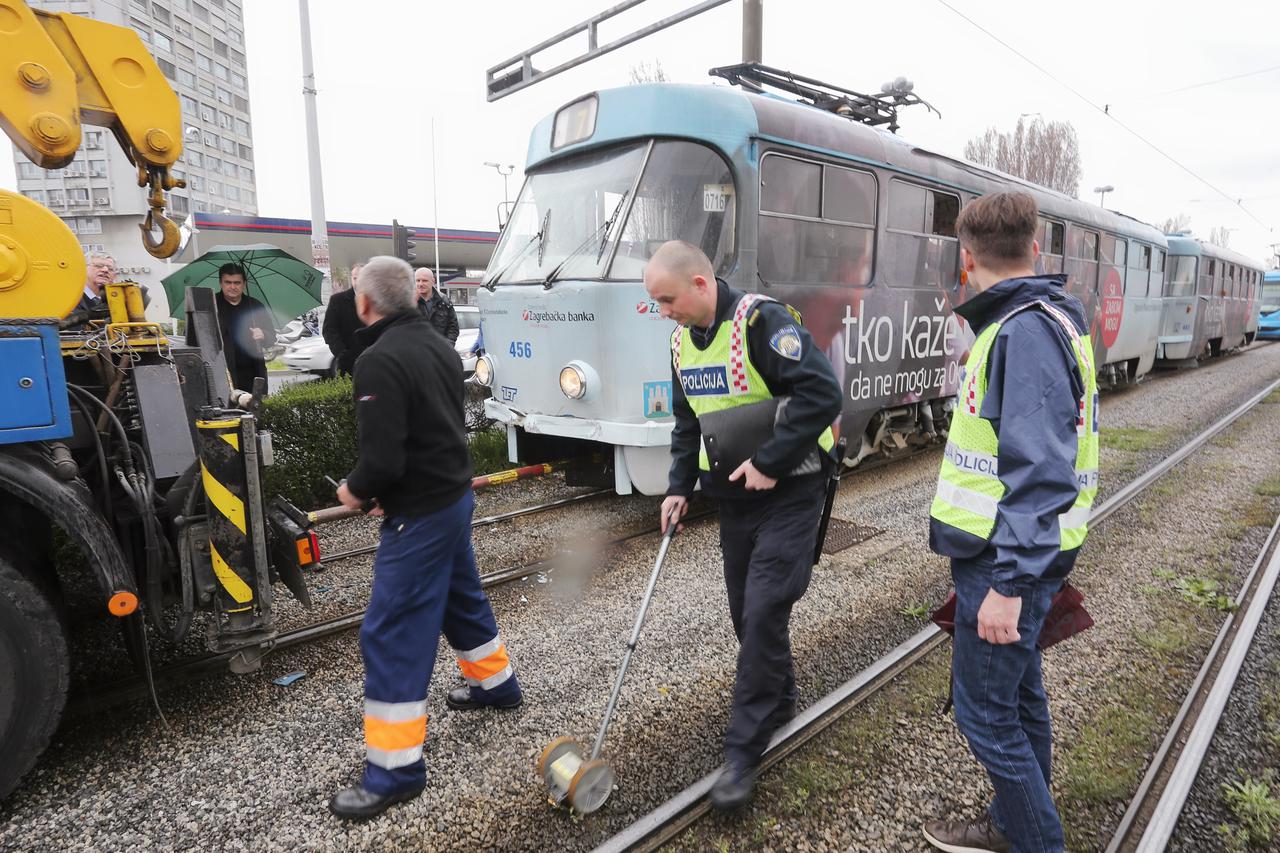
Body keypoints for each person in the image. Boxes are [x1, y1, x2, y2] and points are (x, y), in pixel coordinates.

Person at [922, 192, 1098, 853]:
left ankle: (1034, 839)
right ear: (1034, 248)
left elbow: (1041, 470)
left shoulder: (1022, 329)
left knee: (986, 714)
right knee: (1021, 700)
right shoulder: (1049, 318)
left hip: (1007, 559)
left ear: (966, 259)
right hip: (1017, 551)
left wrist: (1010, 584)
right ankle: (1011, 821)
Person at [646, 240, 843, 812]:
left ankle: (742, 750)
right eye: (657, 303)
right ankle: (778, 695)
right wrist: (678, 487)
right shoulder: (683, 343)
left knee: (763, 608)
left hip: (793, 490)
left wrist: (769, 461)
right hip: (735, 498)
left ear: (701, 284)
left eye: (667, 300)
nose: (664, 312)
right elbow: (688, 421)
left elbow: (821, 393)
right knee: (745, 613)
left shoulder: (762, 321)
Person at [330, 256, 523, 821]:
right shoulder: (440, 347)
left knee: (390, 632)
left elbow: (384, 459)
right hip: (452, 496)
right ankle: (498, 686)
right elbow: (436, 430)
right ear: (410, 298)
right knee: (461, 600)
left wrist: (357, 490)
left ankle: (395, 770)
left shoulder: (377, 360)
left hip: (419, 513)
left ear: (365, 304)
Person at [214, 262, 275, 394]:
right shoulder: (210, 306)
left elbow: (272, 337)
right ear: (220, 283)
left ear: (244, 284)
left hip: (254, 373)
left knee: (256, 411)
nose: (232, 287)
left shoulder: (255, 306)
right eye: (228, 282)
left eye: (237, 283)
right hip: (224, 373)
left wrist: (263, 334)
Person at [323, 261, 365, 376]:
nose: (357, 281)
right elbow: (329, 330)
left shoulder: (376, 300)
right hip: (348, 364)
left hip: (372, 362)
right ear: (351, 278)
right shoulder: (338, 300)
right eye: (355, 278)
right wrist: (342, 353)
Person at [415, 267, 459, 343]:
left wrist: (447, 347)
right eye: (418, 280)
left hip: (439, 351)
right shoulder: (408, 302)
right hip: (415, 352)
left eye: (424, 280)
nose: (420, 284)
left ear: (433, 281)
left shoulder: (444, 301)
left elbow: (453, 328)